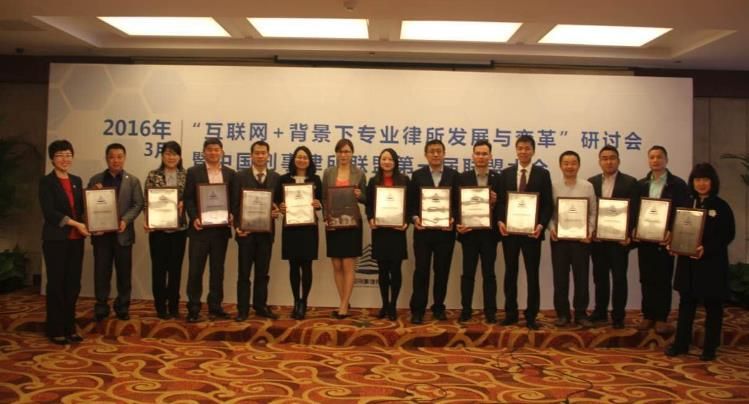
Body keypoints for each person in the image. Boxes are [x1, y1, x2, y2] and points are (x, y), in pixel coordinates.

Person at [666, 163, 735, 361]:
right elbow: (676, 228)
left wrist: (707, 248)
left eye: (705, 179)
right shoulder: (687, 204)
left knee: (713, 305)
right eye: (697, 180)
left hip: (711, 263)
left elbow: (728, 235)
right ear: (692, 182)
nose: (701, 184)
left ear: (713, 182)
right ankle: (681, 344)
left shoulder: (721, 206)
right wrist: (673, 242)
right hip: (688, 264)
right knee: (686, 303)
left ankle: (710, 347)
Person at [496, 135, 553, 330]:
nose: (523, 151)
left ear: (533, 151)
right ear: (516, 150)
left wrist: (541, 226)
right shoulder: (506, 174)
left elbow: (547, 204)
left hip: (532, 234)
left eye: (527, 148)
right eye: (520, 148)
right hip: (510, 234)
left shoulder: (542, 174)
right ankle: (510, 313)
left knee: (532, 274)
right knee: (510, 273)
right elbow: (500, 202)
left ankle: (531, 315)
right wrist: (500, 221)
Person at [39, 140, 91, 344]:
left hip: (76, 241)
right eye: (60, 155)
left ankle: (70, 326)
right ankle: (55, 328)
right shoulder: (46, 182)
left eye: (68, 155)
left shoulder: (76, 180)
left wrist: (92, 216)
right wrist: (76, 224)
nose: (65, 159)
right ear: (52, 159)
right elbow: (50, 212)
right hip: (56, 240)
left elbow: (82, 209)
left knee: (72, 284)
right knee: (56, 284)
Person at [634, 145, 689, 334]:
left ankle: (661, 317)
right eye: (652, 157)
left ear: (666, 160)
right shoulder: (641, 185)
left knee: (663, 278)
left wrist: (673, 231)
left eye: (659, 157)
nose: (655, 160)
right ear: (648, 160)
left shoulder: (677, 184)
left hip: (665, 240)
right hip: (645, 239)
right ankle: (648, 315)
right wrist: (634, 228)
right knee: (646, 278)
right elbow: (635, 210)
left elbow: (683, 212)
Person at [88, 143, 144, 322]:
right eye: (112, 157)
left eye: (119, 157)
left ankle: (122, 306)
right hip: (101, 235)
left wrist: (125, 220)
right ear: (106, 158)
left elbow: (138, 204)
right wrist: (93, 194)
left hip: (123, 235)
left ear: (124, 158)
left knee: (124, 274)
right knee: (101, 272)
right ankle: (101, 306)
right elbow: (88, 204)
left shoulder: (132, 180)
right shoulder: (96, 179)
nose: (116, 160)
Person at [184, 138, 236, 323]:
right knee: (195, 271)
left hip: (220, 231)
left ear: (222, 152)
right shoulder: (193, 172)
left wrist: (231, 214)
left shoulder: (230, 174)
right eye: (209, 149)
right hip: (200, 230)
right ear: (204, 152)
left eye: (216, 149)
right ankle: (193, 308)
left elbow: (233, 199)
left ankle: (215, 306)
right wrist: (194, 218)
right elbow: (188, 198)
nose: (213, 153)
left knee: (217, 271)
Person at [407, 139, 459, 324]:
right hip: (423, 233)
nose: (436, 154)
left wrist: (453, 218)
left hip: (445, 233)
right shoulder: (417, 175)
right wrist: (415, 218)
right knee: (421, 271)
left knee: (442, 271)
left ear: (444, 154)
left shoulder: (454, 175)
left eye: (439, 151)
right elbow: (411, 204)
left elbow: (458, 204)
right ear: (426, 154)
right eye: (432, 151)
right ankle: (418, 310)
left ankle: (438, 307)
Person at [588, 145, 639, 329]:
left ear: (618, 160)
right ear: (599, 161)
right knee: (599, 278)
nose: (608, 161)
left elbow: (634, 212)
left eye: (612, 158)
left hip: (619, 242)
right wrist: (591, 231)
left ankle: (618, 316)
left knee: (619, 279)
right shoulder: (591, 183)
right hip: (598, 241)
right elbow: (589, 211)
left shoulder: (630, 182)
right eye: (604, 158)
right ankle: (600, 311)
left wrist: (629, 236)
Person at [232, 140, 281, 321]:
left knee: (262, 273)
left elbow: (278, 203)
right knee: (244, 273)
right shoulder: (240, 176)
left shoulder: (276, 177)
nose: (260, 156)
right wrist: (237, 226)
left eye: (263, 153)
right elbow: (234, 205)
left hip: (266, 234)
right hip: (246, 234)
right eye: (257, 153)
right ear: (251, 155)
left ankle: (260, 306)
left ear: (268, 156)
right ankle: (243, 309)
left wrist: (277, 210)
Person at [548, 151, 597, 328]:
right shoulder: (553, 186)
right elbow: (549, 212)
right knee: (560, 278)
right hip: (559, 239)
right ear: (560, 166)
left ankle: (581, 313)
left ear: (579, 165)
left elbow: (593, 212)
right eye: (566, 163)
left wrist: (589, 231)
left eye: (573, 163)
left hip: (581, 241)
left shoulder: (587, 186)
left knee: (581, 278)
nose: (570, 166)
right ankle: (562, 314)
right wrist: (552, 228)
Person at [322, 138, 366, 319]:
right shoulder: (328, 173)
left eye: (347, 151)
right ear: (336, 153)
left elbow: (366, 198)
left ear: (352, 153)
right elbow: (324, 198)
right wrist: (326, 218)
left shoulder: (359, 174)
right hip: (334, 223)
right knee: (336, 264)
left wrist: (360, 195)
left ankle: (343, 305)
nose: (344, 155)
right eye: (341, 151)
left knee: (348, 264)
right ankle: (344, 301)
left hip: (352, 223)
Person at [456, 140, 500, 323]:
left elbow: (505, 207)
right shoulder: (462, 178)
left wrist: (495, 202)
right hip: (469, 233)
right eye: (478, 153)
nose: (481, 157)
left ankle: (490, 311)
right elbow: (455, 204)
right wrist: (458, 223)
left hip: (489, 235)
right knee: (468, 273)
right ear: (472, 156)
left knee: (489, 274)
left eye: (484, 154)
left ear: (491, 156)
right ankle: (466, 310)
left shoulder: (498, 179)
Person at [144, 141, 187, 319]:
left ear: (180, 157)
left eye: (174, 154)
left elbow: (192, 198)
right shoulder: (153, 175)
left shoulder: (186, 175)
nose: (171, 157)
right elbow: (147, 201)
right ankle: (160, 306)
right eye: (168, 154)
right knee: (159, 269)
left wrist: (184, 204)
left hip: (179, 230)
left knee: (175, 269)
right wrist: (147, 220)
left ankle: (174, 305)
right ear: (162, 156)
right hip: (158, 230)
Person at [366, 148, 410, 321]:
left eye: (390, 159)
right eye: (384, 159)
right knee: (382, 270)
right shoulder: (373, 181)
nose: (387, 162)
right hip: (380, 232)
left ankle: (393, 304)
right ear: (379, 161)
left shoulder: (404, 180)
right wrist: (370, 218)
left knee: (396, 269)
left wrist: (406, 222)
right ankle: (384, 304)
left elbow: (410, 204)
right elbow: (369, 205)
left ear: (395, 162)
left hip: (397, 232)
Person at [279, 146, 322, 320]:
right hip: (291, 228)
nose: (302, 160)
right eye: (299, 157)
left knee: (307, 266)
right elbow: (277, 201)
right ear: (293, 159)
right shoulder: (284, 179)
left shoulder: (316, 180)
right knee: (293, 266)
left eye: (305, 157)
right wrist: (280, 207)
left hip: (309, 228)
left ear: (309, 160)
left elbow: (322, 201)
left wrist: (319, 204)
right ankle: (296, 300)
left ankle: (304, 301)